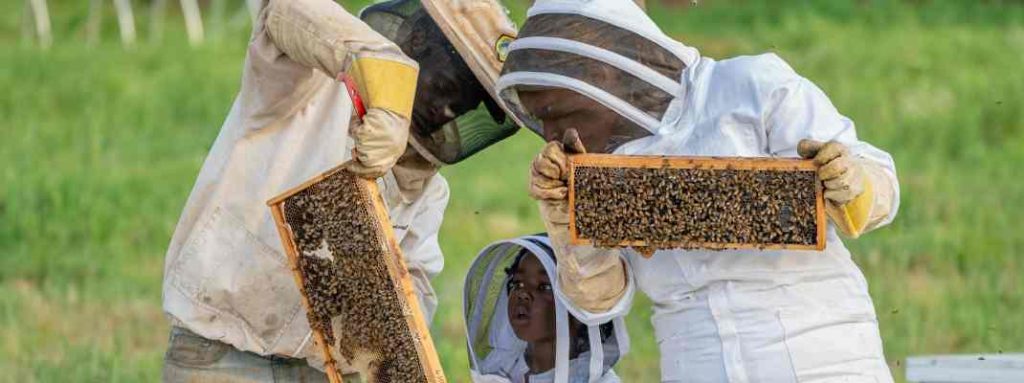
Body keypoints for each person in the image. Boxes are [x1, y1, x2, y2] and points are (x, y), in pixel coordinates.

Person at [496, 0, 900, 382]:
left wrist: (853, 183)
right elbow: (600, 300)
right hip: (695, 360)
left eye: (558, 115)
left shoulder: (749, 85)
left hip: (818, 354)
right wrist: (569, 230)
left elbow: (881, 186)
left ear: (602, 75)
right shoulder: (598, 169)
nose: (551, 136)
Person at [161, 0, 519, 381]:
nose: (448, 111)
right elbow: (283, 10)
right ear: (418, 41)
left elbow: (415, 290)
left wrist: (383, 318)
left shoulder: (427, 192)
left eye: (464, 105)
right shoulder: (309, 82)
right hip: (223, 353)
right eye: (448, 88)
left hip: (321, 373)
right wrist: (385, 78)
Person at [465, 235, 629, 383]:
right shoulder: (500, 369)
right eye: (518, 283)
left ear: (580, 309)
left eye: (544, 287)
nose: (523, 294)